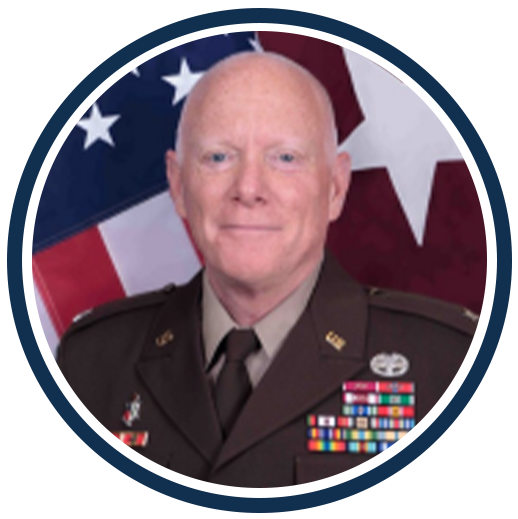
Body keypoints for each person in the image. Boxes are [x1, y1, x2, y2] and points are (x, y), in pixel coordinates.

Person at [57, 52, 478, 487]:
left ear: (335, 187)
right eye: (218, 157)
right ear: (178, 185)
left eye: (285, 158)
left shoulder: (447, 364)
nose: (249, 188)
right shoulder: (91, 364)